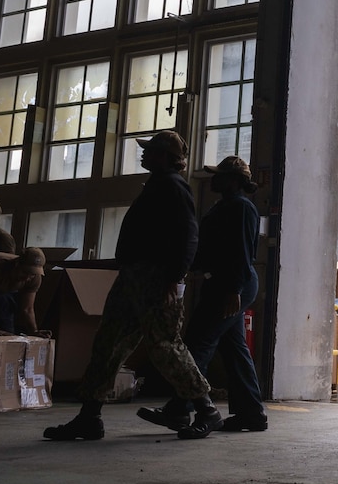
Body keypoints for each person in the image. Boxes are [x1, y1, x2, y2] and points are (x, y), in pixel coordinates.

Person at [44, 130, 222, 442]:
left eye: (150, 150)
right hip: (133, 277)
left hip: (156, 278)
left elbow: (188, 236)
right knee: (108, 343)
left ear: (165, 155)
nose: (143, 154)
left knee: (165, 345)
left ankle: (207, 410)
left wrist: (174, 276)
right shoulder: (157, 184)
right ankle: (89, 417)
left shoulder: (173, 186)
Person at [137, 156, 268, 434]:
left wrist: (234, 289)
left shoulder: (242, 208)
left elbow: (242, 253)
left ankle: (181, 410)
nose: (213, 179)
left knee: (199, 343)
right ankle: (252, 414)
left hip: (232, 285)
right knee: (234, 351)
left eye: (218, 175)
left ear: (233, 179)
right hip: (223, 283)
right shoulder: (224, 206)